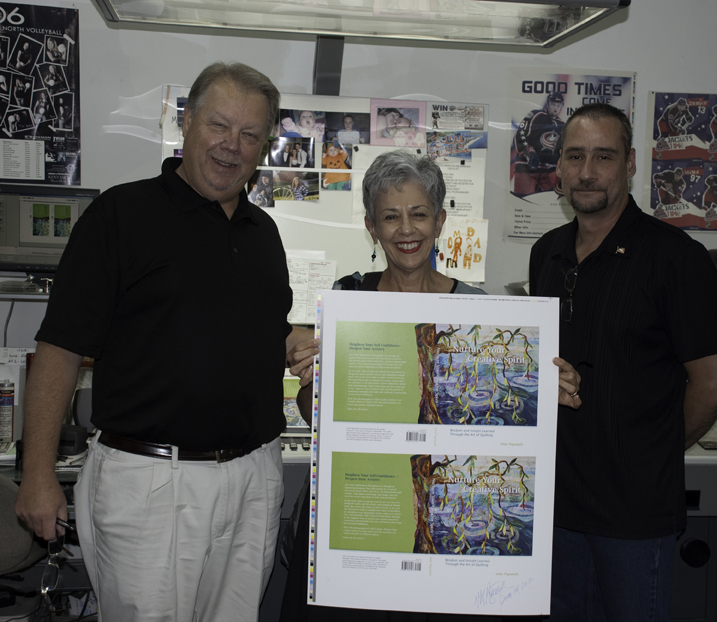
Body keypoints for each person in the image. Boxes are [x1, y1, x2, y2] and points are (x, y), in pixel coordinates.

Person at [16, 62, 302, 622]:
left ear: (264, 147)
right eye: (219, 125)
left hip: (253, 477)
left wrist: (308, 344)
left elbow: (254, 329)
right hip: (150, 481)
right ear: (187, 122)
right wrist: (39, 473)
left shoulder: (263, 233)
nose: (232, 145)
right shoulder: (121, 215)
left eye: (250, 134)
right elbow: (60, 347)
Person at [280, 150, 582, 622]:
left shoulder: (478, 310)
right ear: (372, 227)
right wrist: (312, 380)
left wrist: (549, 390)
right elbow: (314, 411)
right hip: (364, 512)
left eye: (419, 214)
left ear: (440, 221)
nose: (406, 229)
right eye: (390, 217)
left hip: (448, 521)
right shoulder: (348, 298)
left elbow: (503, 415)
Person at [529, 103, 717, 622]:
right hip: (556, 508)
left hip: (634, 518)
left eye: (604, 156)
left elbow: (713, 386)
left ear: (631, 164)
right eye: (575, 156)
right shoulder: (547, 253)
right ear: (559, 166)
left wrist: (652, 452)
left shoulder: (676, 258)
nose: (587, 172)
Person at [513, 91, 565, 197]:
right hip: (527, 168)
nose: (556, 108)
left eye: (558, 105)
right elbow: (520, 134)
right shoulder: (536, 115)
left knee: (550, 202)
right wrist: (528, 151)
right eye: (553, 104)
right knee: (522, 201)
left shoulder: (562, 125)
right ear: (548, 104)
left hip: (549, 171)